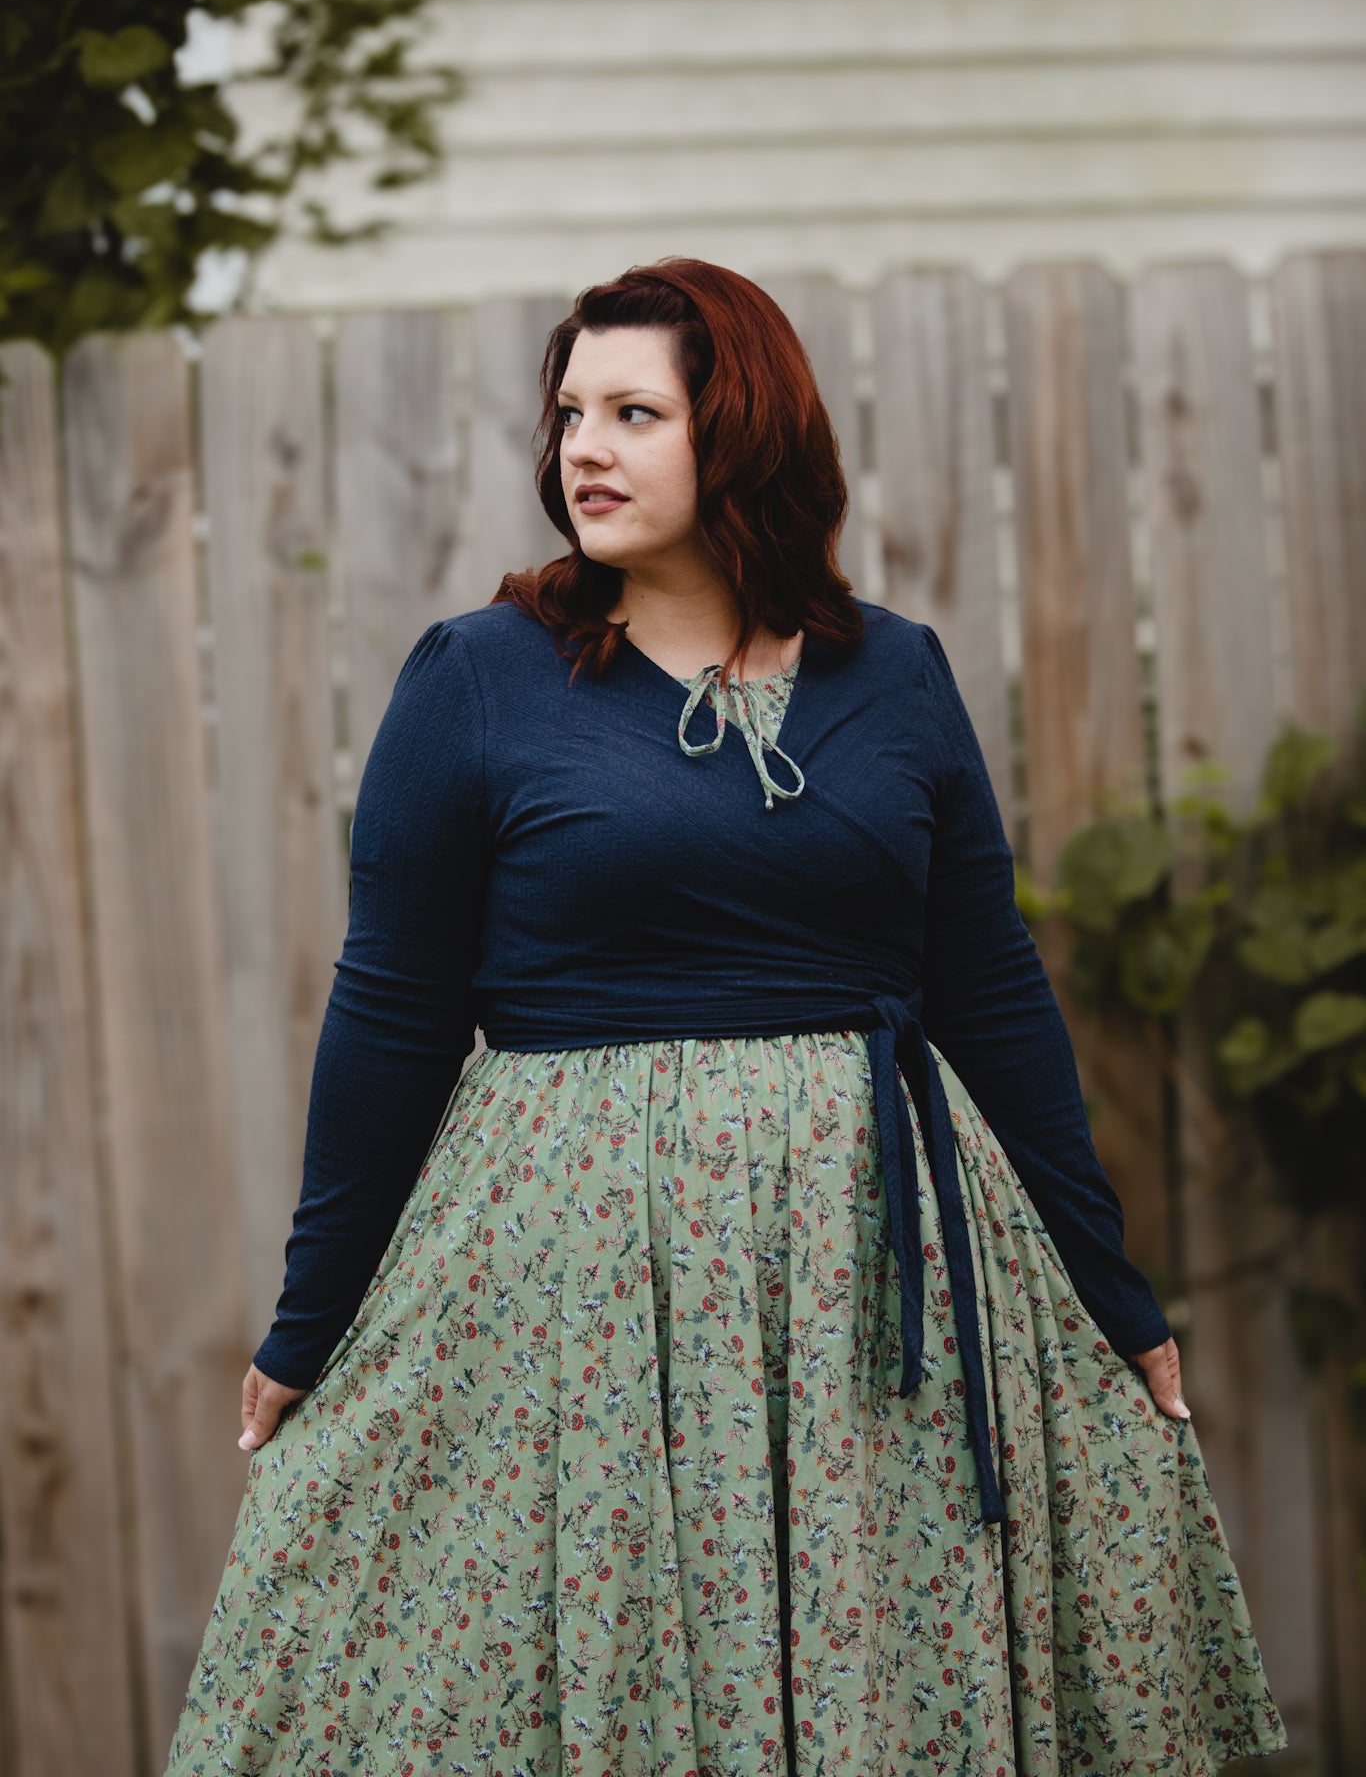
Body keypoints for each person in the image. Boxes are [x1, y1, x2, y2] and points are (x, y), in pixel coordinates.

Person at [164, 259, 1287, 1777]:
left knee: (872, 1670)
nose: (585, 449)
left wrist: (1112, 1290)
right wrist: (311, 1319)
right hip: (581, 1288)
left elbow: (989, 991)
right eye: (572, 413)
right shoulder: (480, 679)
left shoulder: (898, 675)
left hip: (866, 1283)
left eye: (634, 413)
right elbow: (391, 1014)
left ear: (743, 433)